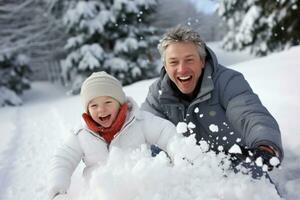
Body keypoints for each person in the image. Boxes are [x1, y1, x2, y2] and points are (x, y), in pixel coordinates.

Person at [141, 25, 284, 176]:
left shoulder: (227, 81)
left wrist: (265, 145)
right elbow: (142, 126)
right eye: (173, 62)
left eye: (189, 60)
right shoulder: (158, 92)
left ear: (202, 61)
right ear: (165, 65)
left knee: (251, 174)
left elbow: (249, 113)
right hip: (187, 167)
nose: (182, 69)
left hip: (235, 161)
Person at [48, 71, 177, 200]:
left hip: (139, 192)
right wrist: (57, 190)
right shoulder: (81, 134)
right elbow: (63, 159)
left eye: (108, 102)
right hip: (98, 195)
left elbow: (165, 132)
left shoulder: (139, 121)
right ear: (87, 110)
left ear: (120, 103)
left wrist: (181, 154)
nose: (101, 109)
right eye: (94, 105)